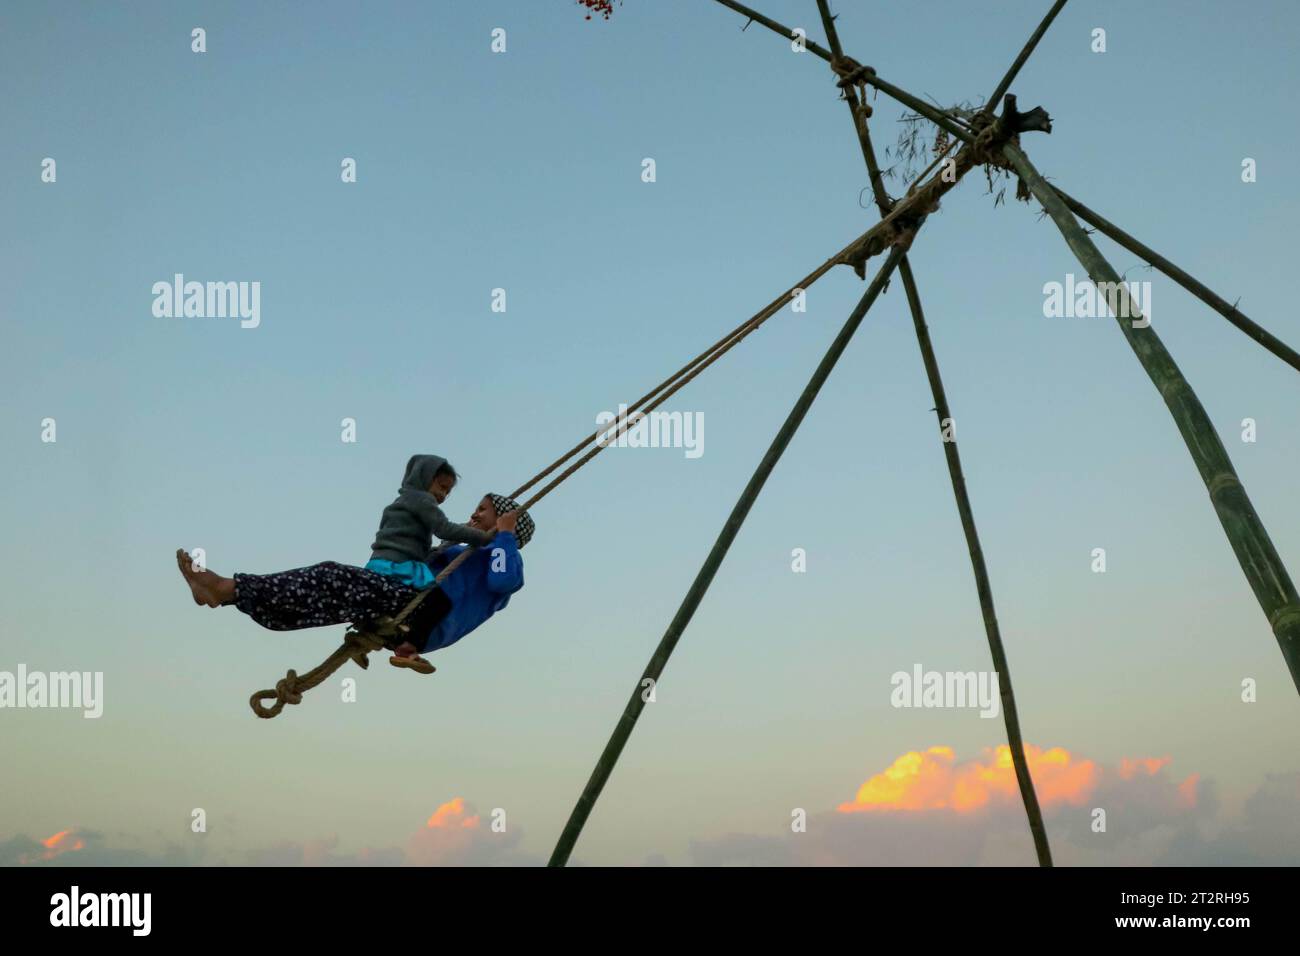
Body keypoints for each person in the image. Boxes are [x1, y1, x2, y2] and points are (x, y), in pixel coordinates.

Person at [173, 493, 534, 674]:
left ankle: (227, 589)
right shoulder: (456, 551)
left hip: (428, 613)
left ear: (503, 522)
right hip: (409, 610)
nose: (474, 513)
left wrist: (503, 537)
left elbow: (501, 580)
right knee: (326, 597)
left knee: (332, 576)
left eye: (484, 511)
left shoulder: (500, 557)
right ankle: (238, 598)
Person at [366, 454, 494, 589]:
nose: (443, 495)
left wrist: (466, 527)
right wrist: (482, 537)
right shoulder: (422, 500)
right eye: (442, 487)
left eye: (447, 492)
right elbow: (444, 529)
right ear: (425, 478)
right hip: (399, 567)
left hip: (379, 564)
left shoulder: (402, 501)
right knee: (434, 604)